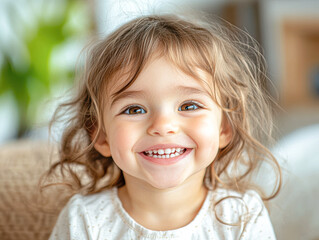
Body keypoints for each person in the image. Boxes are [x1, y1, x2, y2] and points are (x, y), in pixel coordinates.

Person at [43, 14, 281, 239]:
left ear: (224, 128)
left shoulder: (242, 215)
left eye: (189, 106)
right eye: (134, 110)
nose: (163, 126)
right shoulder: (84, 219)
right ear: (101, 136)